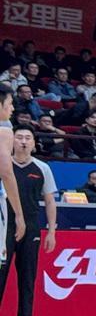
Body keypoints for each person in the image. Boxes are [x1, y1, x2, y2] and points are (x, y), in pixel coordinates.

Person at [0, 128, 56, 316]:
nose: (23, 141)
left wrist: (51, 231)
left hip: (31, 228)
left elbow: (49, 201)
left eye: (28, 138)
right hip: (5, 227)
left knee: (27, 280)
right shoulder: (4, 165)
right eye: (19, 137)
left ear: (33, 143)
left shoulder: (42, 168)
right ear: (11, 141)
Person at [0, 88, 26, 299]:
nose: (12, 109)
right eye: (9, 103)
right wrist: (18, 214)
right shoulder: (4, 131)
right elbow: (7, 173)